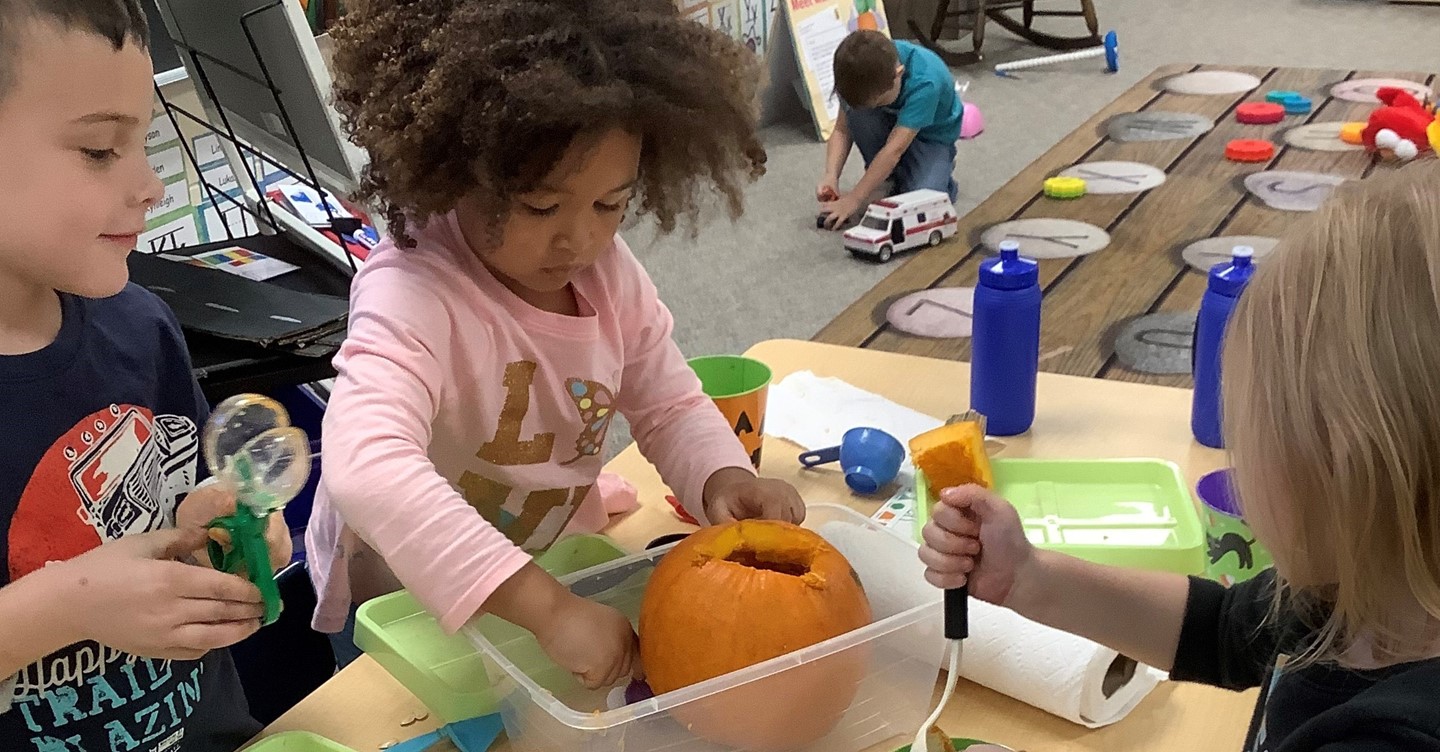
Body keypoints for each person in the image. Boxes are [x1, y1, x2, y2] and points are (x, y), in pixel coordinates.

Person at [306, 0, 807, 685]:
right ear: (456, 170)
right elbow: (365, 469)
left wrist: (723, 476)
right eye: (542, 207)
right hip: (403, 601)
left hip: (539, 565)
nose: (579, 241)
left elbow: (668, 405)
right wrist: (546, 611)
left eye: (611, 204)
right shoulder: (413, 289)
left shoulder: (606, 273)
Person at [919, 162, 1440, 751]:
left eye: (1251, 434)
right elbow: (1216, 631)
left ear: (1344, 469)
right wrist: (1029, 578)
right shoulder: (1361, 584)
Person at [0, 1, 291, 749]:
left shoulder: (139, 324)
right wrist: (65, 605)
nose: (150, 186)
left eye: (145, 145)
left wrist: (226, 529)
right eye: (100, 150)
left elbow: (181, 508)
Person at [818, 30, 963, 230]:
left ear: (898, 74)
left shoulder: (926, 82)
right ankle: (887, 179)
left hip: (930, 138)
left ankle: (942, 179)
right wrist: (831, 175)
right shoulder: (854, 74)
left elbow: (893, 151)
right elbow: (842, 130)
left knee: (921, 205)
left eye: (877, 101)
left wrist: (854, 198)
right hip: (888, 127)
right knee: (859, 113)